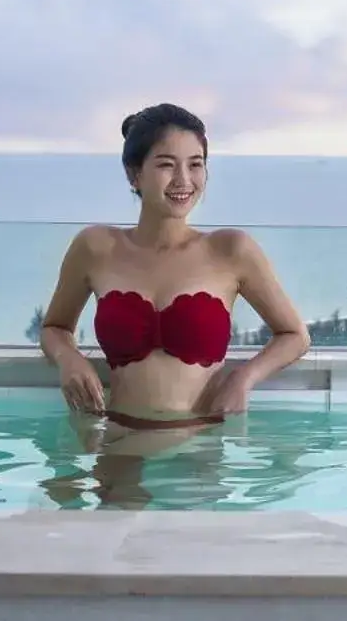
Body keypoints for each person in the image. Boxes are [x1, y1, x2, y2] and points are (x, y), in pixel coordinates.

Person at [39, 103, 309, 456]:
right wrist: (69, 359)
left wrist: (243, 379)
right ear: (134, 174)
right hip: (118, 441)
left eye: (196, 164)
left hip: (200, 446)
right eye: (166, 164)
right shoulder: (95, 247)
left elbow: (294, 335)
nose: (184, 180)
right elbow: (54, 328)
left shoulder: (231, 251)